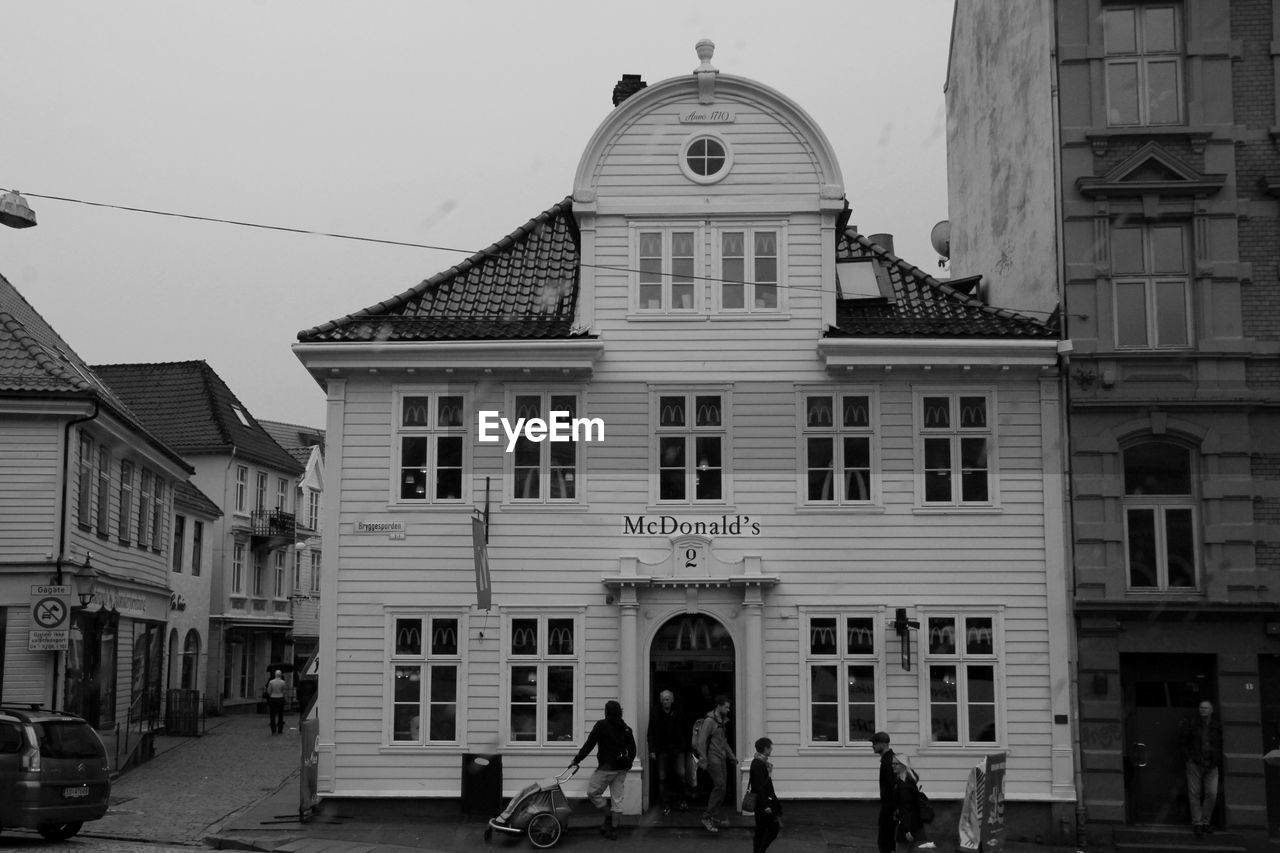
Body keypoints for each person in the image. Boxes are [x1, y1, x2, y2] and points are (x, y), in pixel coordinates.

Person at [571, 699, 637, 841]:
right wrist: (629, 763)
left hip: (606, 768)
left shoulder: (601, 725)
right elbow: (633, 749)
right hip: (621, 770)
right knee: (617, 799)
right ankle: (614, 829)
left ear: (606, 711)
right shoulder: (626, 728)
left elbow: (589, 744)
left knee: (592, 792)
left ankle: (607, 815)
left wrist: (577, 759)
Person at [695, 693, 738, 833]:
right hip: (712, 758)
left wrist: (731, 756)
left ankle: (712, 816)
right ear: (719, 706)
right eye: (726, 707)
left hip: (722, 757)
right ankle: (707, 817)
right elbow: (701, 741)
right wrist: (703, 760)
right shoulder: (710, 721)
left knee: (723, 789)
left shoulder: (722, 720)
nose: (728, 709)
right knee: (719, 786)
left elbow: (723, 742)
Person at [647, 689, 690, 815]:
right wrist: (652, 750)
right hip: (662, 749)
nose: (665, 702)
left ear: (672, 700)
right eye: (663, 699)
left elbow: (686, 729)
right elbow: (651, 732)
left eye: (667, 699)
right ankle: (665, 803)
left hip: (678, 748)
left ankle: (682, 800)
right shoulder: (656, 712)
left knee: (681, 774)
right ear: (660, 700)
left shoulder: (679, 711)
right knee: (662, 777)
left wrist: (687, 746)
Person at [1184, 699, 1223, 836]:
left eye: (1206, 708)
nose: (1203, 710)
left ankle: (1206, 821)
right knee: (1194, 793)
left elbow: (1220, 743)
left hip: (1212, 765)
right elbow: (1184, 740)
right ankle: (1198, 823)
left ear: (1211, 710)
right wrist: (1189, 757)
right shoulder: (1193, 724)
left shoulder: (1216, 726)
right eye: (1201, 707)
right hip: (1195, 763)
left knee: (1211, 794)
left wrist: (1217, 759)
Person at [891, 753, 935, 850]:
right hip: (915, 825)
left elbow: (906, 809)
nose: (893, 766)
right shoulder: (909, 781)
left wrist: (907, 830)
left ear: (903, 765)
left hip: (907, 827)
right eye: (892, 763)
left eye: (896, 764)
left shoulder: (903, 786)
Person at [749, 736, 782, 853]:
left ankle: (758, 851)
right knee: (773, 828)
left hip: (762, 802)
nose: (771, 749)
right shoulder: (758, 764)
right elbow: (759, 787)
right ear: (765, 748)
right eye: (770, 747)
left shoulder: (760, 762)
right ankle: (760, 850)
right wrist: (766, 805)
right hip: (763, 803)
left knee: (761, 830)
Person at [871, 731, 896, 853]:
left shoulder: (888, 762)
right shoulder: (891, 759)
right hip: (890, 808)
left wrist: (891, 809)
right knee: (889, 841)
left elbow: (892, 786)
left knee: (885, 842)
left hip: (890, 809)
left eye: (874, 743)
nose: (873, 746)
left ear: (882, 744)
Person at [265, 670, 287, 735]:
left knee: (272, 715)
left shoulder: (271, 682)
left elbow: (268, 691)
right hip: (280, 698)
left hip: (273, 698)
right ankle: (280, 729)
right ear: (281, 675)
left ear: (275, 675)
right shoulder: (283, 682)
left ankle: (273, 729)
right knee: (280, 715)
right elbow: (284, 691)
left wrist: (272, 694)